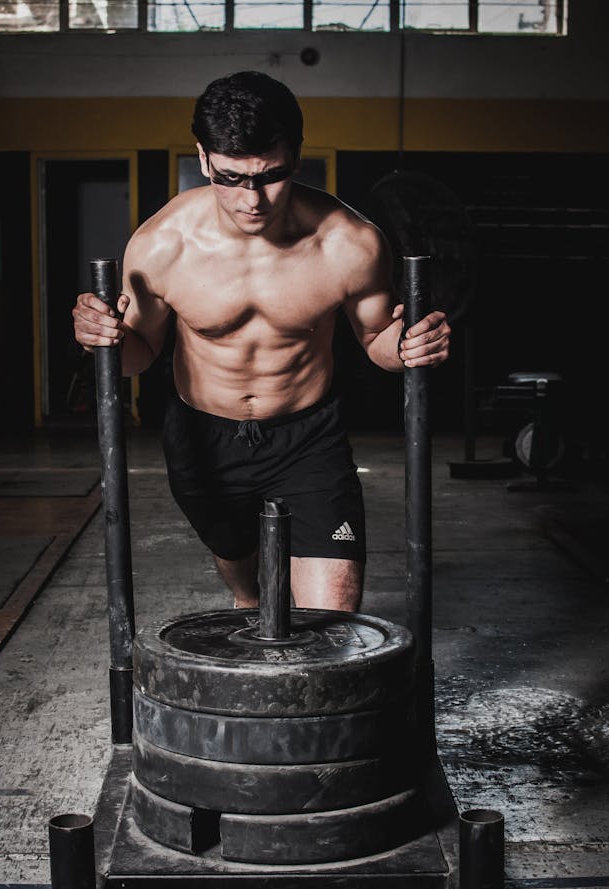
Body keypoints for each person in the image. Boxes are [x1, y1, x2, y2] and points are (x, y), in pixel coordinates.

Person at [73, 71, 449, 613]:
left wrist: (411, 346)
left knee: (331, 624)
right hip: (203, 436)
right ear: (204, 160)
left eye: (271, 176)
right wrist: (102, 339)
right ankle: (249, 597)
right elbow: (140, 354)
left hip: (308, 435)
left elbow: (377, 339)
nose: (252, 199)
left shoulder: (349, 243)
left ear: (296, 156)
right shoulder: (161, 246)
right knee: (244, 580)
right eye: (231, 178)